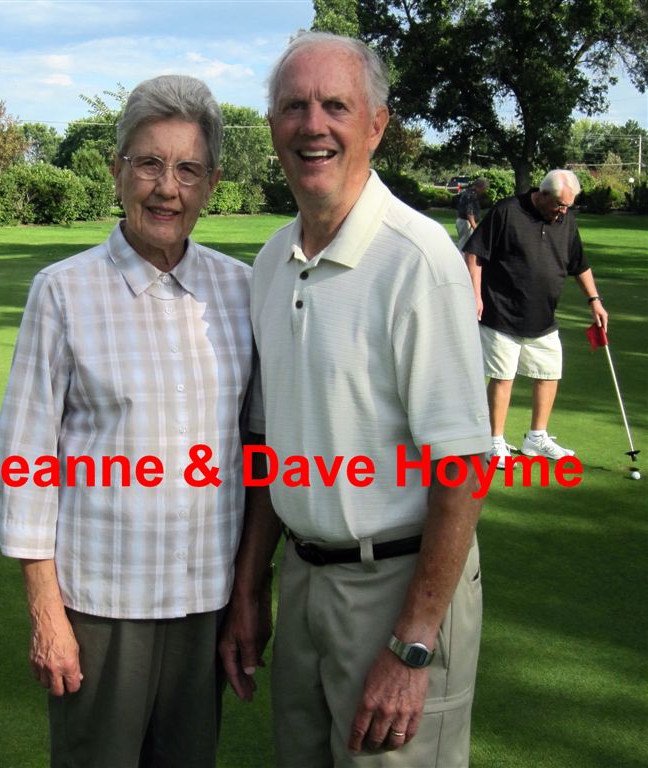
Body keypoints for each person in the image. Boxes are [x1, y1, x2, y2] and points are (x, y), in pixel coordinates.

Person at [219, 32, 491, 768]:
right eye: (293, 106)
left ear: (375, 125)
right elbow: (269, 446)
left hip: (400, 589)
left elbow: (464, 466)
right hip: (303, 582)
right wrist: (250, 588)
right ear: (272, 126)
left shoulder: (418, 259)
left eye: (335, 106)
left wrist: (413, 645)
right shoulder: (271, 262)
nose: (313, 125)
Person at [0, 75, 260, 768]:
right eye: (149, 164)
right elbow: (23, 464)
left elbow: (257, 452)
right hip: (100, 607)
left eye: (188, 169)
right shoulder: (63, 291)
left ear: (211, 184)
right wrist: (47, 615)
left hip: (205, 605)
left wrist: (248, 596)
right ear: (117, 171)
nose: (167, 188)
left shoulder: (241, 290)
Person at [464, 169, 608, 464]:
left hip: (543, 318)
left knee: (549, 373)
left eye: (568, 206)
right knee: (503, 377)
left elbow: (579, 264)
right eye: (559, 205)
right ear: (542, 195)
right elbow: (475, 253)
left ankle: (536, 438)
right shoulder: (507, 211)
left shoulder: (566, 220)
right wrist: (475, 295)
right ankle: (494, 441)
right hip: (501, 313)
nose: (563, 211)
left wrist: (594, 300)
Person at [455, 177, 489, 251]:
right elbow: (469, 213)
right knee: (465, 245)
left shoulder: (468, 193)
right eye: (483, 189)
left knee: (464, 244)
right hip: (466, 223)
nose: (483, 191)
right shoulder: (470, 196)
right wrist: (475, 227)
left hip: (464, 222)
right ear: (479, 187)